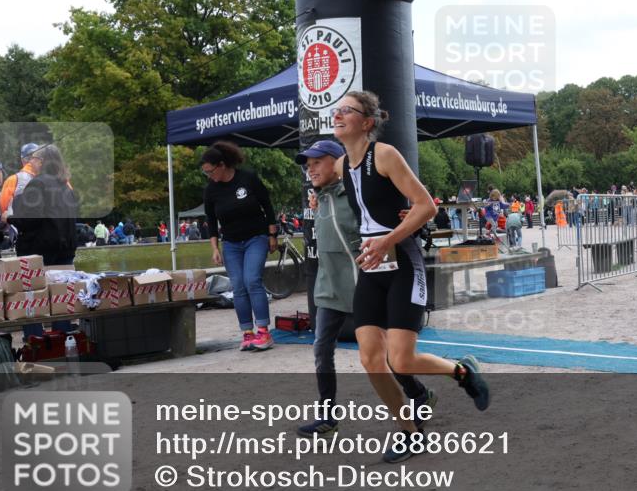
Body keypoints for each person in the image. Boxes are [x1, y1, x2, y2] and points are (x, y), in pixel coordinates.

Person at [333, 91, 490, 464]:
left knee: (401, 361)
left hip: (402, 260)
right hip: (372, 267)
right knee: (371, 360)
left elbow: (427, 205)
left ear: (367, 122)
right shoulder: (340, 164)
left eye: (346, 110)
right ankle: (409, 432)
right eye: (335, 109)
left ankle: (461, 372)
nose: (337, 114)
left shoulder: (384, 155)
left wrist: (388, 238)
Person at [294, 139, 436, 438]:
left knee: (383, 355)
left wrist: (407, 216)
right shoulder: (319, 198)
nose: (310, 169)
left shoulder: (359, 194)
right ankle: (328, 415)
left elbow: (406, 213)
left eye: (316, 162)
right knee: (322, 348)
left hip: (367, 281)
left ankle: (417, 392)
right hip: (329, 289)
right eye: (308, 165)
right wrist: (319, 197)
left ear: (338, 162)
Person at [202, 140, 278, 352]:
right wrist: (215, 248)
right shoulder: (211, 190)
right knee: (238, 286)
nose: (209, 176)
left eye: (210, 171)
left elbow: (267, 205)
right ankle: (247, 332)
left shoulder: (248, 178)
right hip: (231, 243)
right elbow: (211, 221)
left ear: (222, 165)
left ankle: (263, 330)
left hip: (256, 237)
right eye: (205, 173)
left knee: (252, 280)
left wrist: (273, 235)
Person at [9, 145, 78, 336]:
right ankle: (62, 339)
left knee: (30, 297)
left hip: (40, 250)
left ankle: (35, 339)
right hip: (65, 250)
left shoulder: (38, 184)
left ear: (42, 162)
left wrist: (10, 218)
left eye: (35, 159)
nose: (31, 163)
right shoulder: (65, 185)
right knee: (60, 297)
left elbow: (30, 220)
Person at [0, 142, 41, 224]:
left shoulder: (13, 180)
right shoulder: (56, 178)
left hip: (18, 228)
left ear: (22, 160)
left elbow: (4, 208)